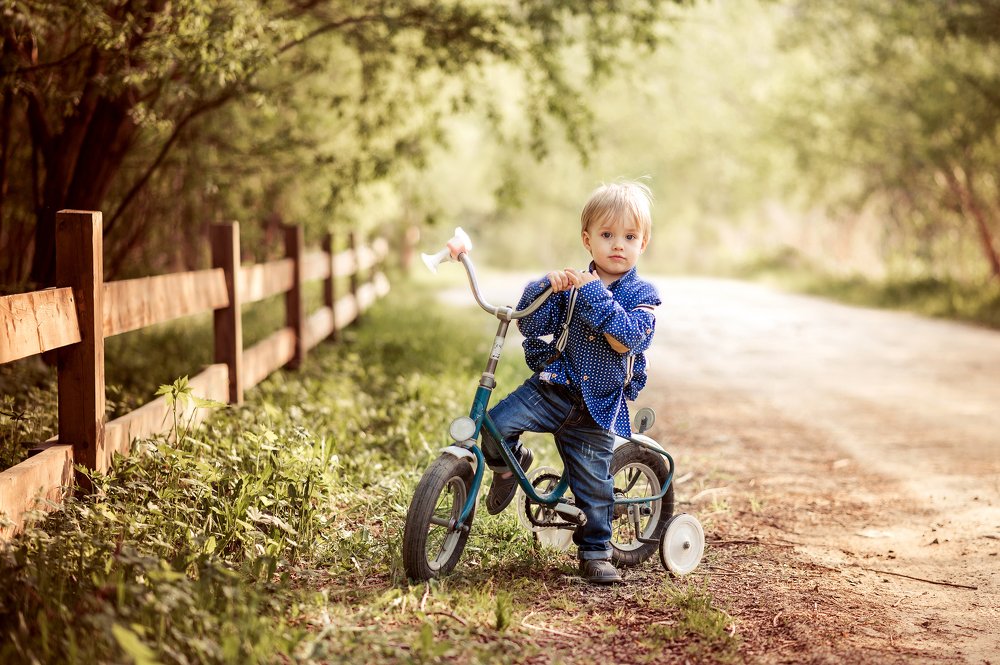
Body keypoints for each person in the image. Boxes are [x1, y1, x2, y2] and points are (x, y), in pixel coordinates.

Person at [449, 179, 660, 584]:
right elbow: (531, 323)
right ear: (588, 240)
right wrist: (546, 285)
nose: (618, 244)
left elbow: (625, 339)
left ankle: (597, 552)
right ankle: (510, 468)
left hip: (596, 404)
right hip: (554, 387)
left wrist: (594, 292)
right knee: (494, 426)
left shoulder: (641, 294)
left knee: (595, 486)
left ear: (643, 243)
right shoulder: (572, 284)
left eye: (629, 237)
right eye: (607, 235)